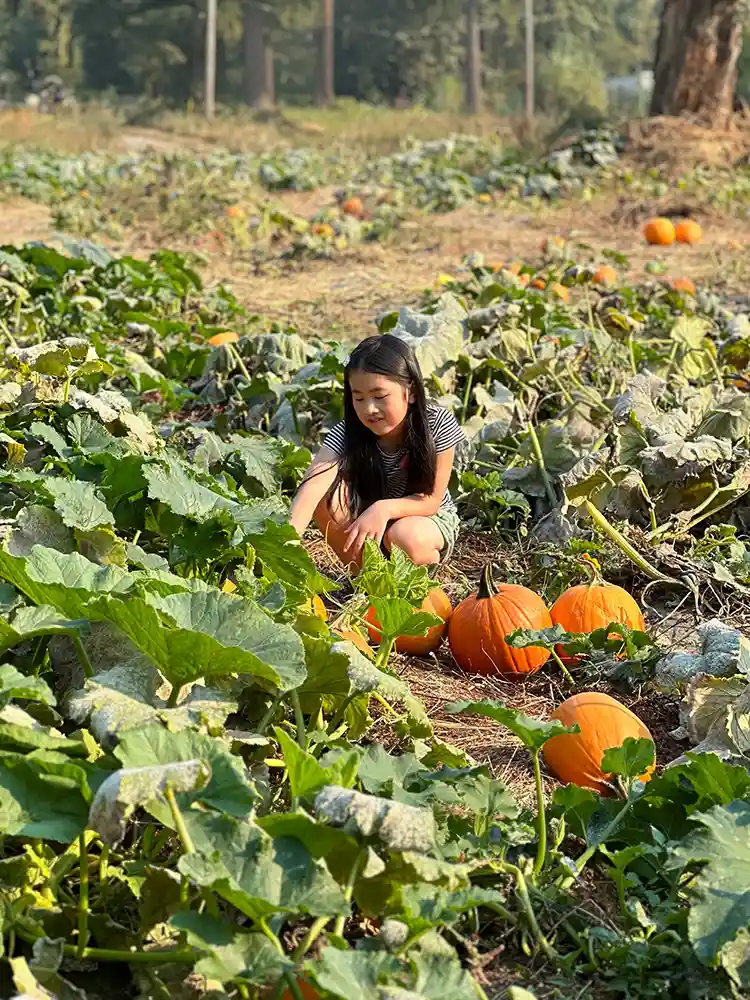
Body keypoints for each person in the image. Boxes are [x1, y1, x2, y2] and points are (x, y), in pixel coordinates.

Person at [289, 333, 464, 570]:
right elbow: (313, 483)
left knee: (405, 536)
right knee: (323, 495)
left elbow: (431, 501)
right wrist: (286, 544)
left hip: (425, 521)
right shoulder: (348, 431)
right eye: (358, 398)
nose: (369, 409)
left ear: (410, 391)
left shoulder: (436, 424)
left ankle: (417, 584)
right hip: (368, 523)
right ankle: (367, 576)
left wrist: (384, 508)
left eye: (379, 396)